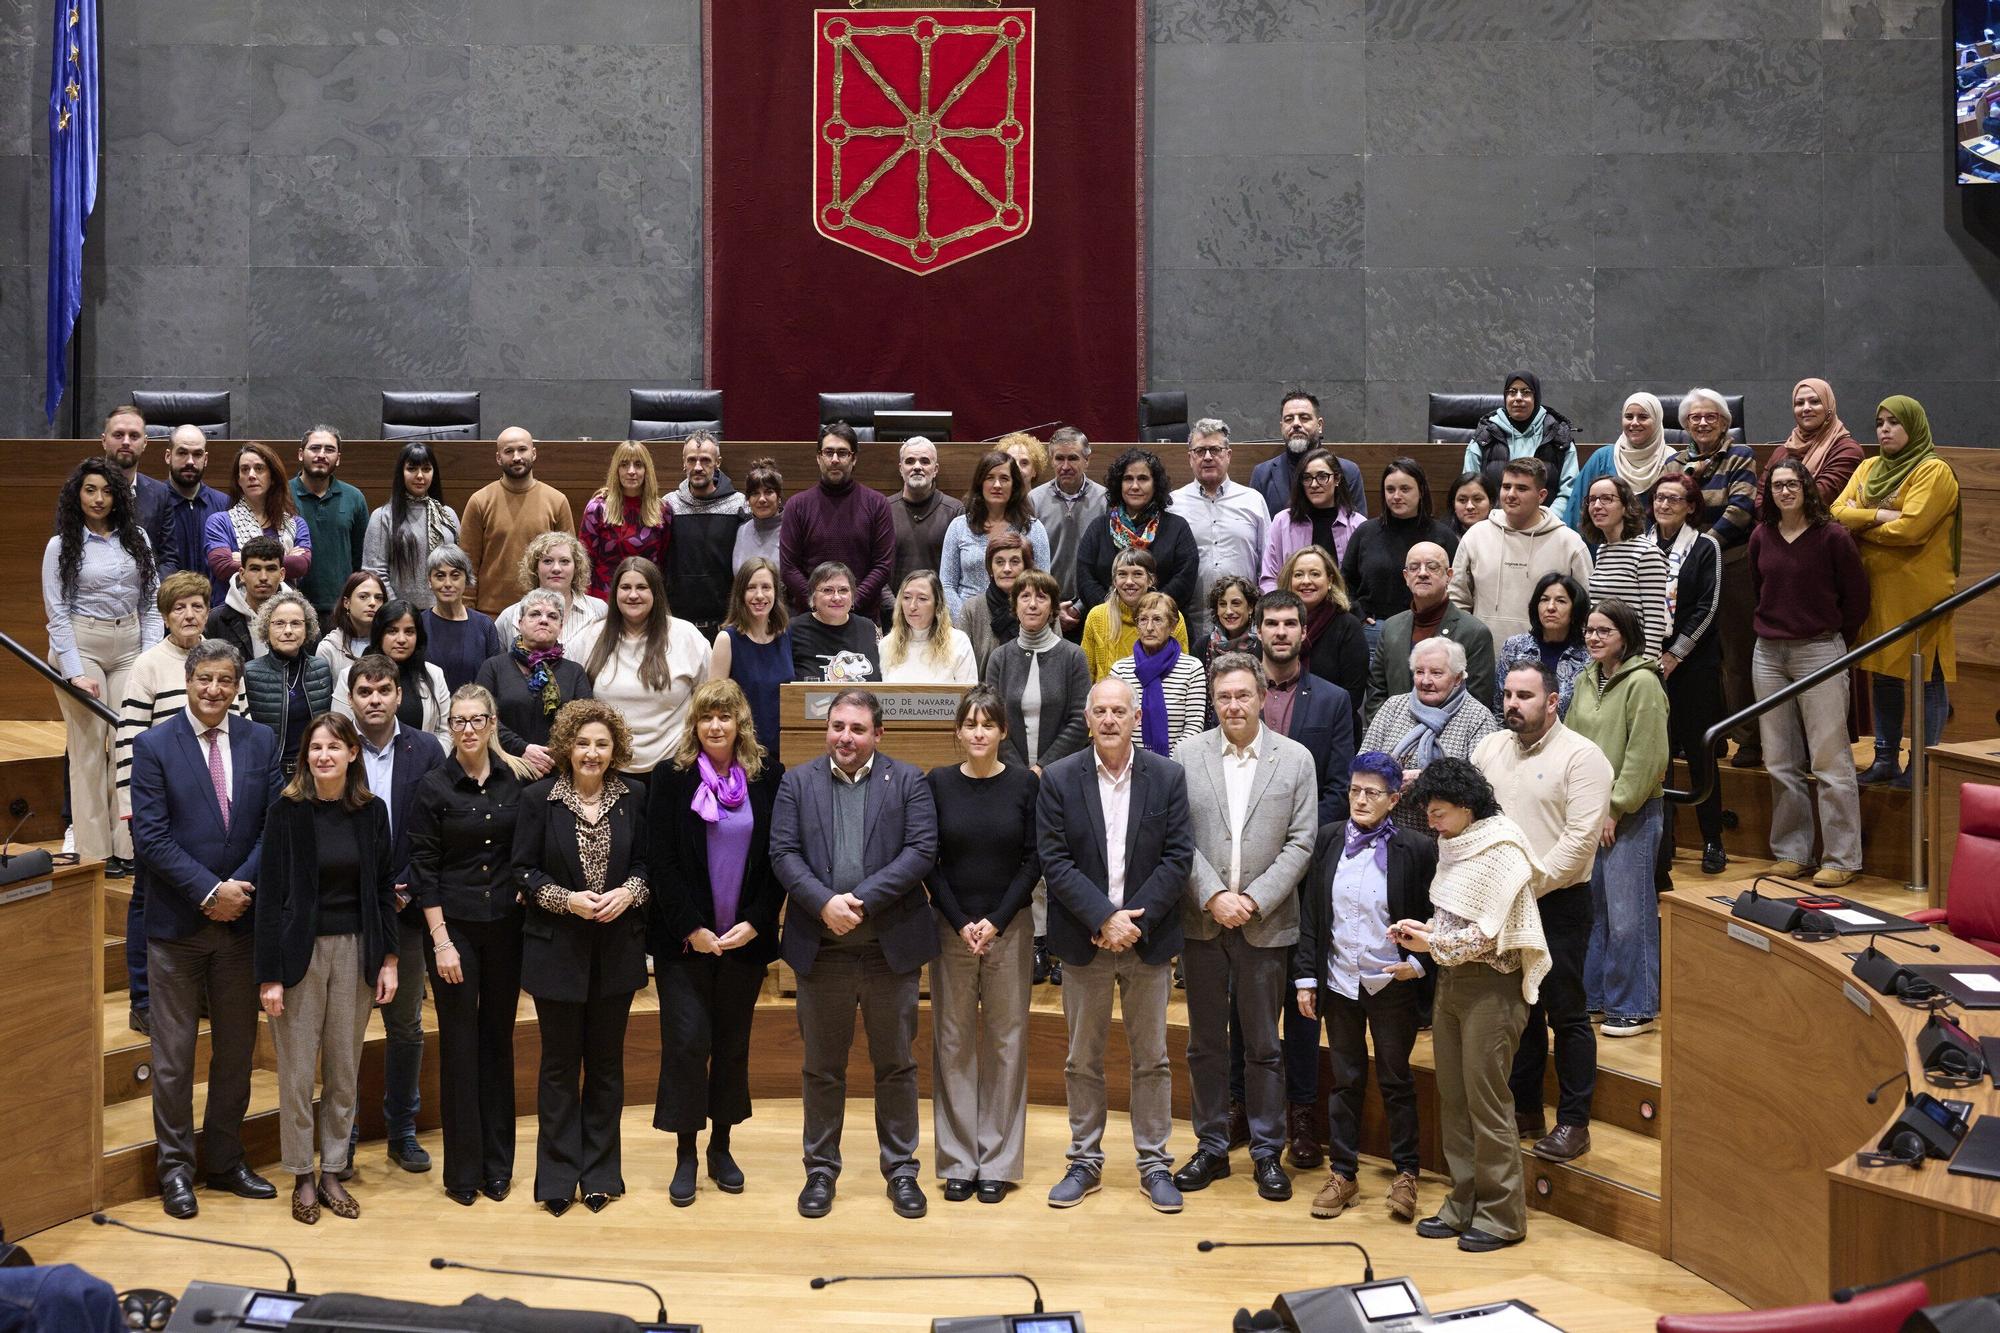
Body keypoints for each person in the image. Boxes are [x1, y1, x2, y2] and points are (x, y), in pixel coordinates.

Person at [772, 688, 940, 1220]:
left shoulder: (908, 780)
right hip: (823, 953)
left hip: (888, 952)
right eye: (838, 726)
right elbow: (782, 852)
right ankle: (820, 1171)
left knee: (896, 1066)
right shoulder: (797, 782)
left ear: (878, 734)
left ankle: (902, 1171)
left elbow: (921, 851)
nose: (846, 737)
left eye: (858, 728)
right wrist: (823, 902)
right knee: (822, 1068)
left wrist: (859, 902)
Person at [130, 640, 284, 1220]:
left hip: (242, 924)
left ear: (236, 685)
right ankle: (176, 1169)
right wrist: (207, 891)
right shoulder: (153, 746)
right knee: (172, 1058)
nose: (214, 690)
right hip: (176, 928)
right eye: (204, 680)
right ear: (188, 681)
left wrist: (237, 890)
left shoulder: (259, 741)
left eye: (225, 681)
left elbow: (275, 827)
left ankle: (222, 1158)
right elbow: (151, 838)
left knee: (236, 1053)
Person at [1039, 678, 1194, 1214]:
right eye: (1100, 711)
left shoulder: (1168, 776)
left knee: (1151, 1058)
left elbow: (1178, 858)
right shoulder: (1059, 778)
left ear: (1135, 718)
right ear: (1087, 718)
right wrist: (1104, 918)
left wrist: (1132, 924)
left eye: (1119, 711)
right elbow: (1053, 860)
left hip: (1146, 943)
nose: (1109, 719)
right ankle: (1084, 1161)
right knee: (1082, 1058)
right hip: (1085, 939)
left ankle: (1155, 1164)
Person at [1170, 655, 1317, 1205]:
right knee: (1205, 1045)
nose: (1233, 706)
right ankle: (1210, 1146)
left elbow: (1302, 843)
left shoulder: (1296, 759)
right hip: (1203, 922)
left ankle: (1265, 1151)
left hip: (1267, 922)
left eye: (1242, 696)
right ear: (1213, 701)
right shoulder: (1186, 755)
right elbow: (1176, 837)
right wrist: (1213, 895)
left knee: (1264, 1045)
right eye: (1224, 697)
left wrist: (1252, 899)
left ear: (1261, 698)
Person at [1395, 758, 1548, 1253]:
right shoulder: (1453, 845)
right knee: (1454, 1100)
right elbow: (1454, 922)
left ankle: (1503, 1216)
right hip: (1452, 984)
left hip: (1493, 989)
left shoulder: (1502, 848)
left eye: (1438, 814)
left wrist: (1429, 945)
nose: (1433, 824)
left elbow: (1488, 936)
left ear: (1465, 806)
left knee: (1487, 1103)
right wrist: (1426, 932)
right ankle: (1463, 1203)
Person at [255, 712, 399, 1223]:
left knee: (344, 1069)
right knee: (296, 1073)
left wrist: (389, 958)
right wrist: (269, 975)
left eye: (334, 747)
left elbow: (382, 888)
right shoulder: (286, 812)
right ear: (305, 757)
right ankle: (301, 1174)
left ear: (352, 754)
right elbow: (269, 896)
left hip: (356, 951)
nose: (324, 756)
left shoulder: (371, 812)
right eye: (315, 748)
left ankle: (334, 1169)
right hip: (299, 956)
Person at [646, 679, 784, 1207]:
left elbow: (778, 856)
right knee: (686, 1044)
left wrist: (756, 920)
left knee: (731, 1044)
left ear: (740, 722)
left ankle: (721, 1147)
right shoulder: (672, 777)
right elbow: (660, 862)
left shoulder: (766, 776)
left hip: (743, 941)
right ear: (695, 724)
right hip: (686, 943)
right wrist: (691, 929)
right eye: (707, 717)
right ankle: (685, 1152)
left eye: (725, 716)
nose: (716, 726)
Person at [513, 700, 650, 1215]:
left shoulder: (634, 796)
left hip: (615, 952)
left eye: (602, 743)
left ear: (615, 750)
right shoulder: (537, 799)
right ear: (567, 747)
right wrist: (562, 899)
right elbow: (521, 869)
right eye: (583, 743)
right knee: (558, 1068)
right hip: (557, 952)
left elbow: (646, 864)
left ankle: (600, 1174)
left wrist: (631, 891)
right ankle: (556, 1176)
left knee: (607, 1068)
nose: (591, 752)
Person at [1475, 662, 1611, 1165]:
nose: (1513, 703)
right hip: (1504, 901)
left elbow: (1578, 843)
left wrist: (1525, 886)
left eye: (1525, 695)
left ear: (1553, 701)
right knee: (1521, 1011)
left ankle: (1574, 1123)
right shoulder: (1489, 748)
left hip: (1559, 903)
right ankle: (1526, 1109)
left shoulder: (1583, 758)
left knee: (1567, 1013)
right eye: (1508, 693)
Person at [1293, 753, 1437, 1221]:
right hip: (1340, 982)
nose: (1360, 799)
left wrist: (1415, 965)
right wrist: (1307, 979)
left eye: (1372, 792)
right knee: (1346, 1080)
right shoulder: (1330, 839)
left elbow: (1433, 917)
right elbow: (1314, 912)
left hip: (1391, 982)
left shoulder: (1416, 848)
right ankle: (1344, 1174)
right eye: (1355, 790)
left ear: (1395, 799)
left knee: (1396, 1080)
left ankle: (1406, 1175)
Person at [408, 685, 536, 1206]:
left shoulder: (517, 781)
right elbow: (424, 870)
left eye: (476, 720)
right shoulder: (433, 786)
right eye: (458, 721)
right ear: (450, 725)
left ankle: (498, 1166)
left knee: (497, 1042)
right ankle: (463, 1173)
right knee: (460, 1047)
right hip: (453, 929)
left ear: (491, 723)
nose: (467, 729)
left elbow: (526, 853)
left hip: (506, 926)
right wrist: (440, 943)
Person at [926, 686, 1040, 1203]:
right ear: (958, 731)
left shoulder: (1023, 785)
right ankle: (957, 1159)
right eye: (969, 723)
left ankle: (996, 1159)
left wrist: (993, 921)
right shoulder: (939, 783)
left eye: (987, 724)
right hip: (950, 930)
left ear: (1002, 732)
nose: (977, 732)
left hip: (1008, 929)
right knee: (952, 1042)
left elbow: (1033, 861)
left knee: (1005, 1042)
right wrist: (960, 921)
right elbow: (928, 859)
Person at [116, 572, 243, 1030]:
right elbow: (129, 738)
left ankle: (204, 993)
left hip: (218, 808)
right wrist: (132, 809)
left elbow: (241, 731)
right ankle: (145, 998)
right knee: (147, 898)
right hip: (160, 806)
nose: (189, 615)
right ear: (166, 615)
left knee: (208, 889)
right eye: (178, 608)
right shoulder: (148, 665)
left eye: (196, 606)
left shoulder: (224, 657)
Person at [1835, 396, 1962, 790]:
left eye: (1894, 422)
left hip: (1921, 593)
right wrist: (1879, 515)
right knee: (1883, 676)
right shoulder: (1869, 467)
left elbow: (1910, 530)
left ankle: (1923, 762)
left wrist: (1863, 521)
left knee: (1926, 678)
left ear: (1915, 427)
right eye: (1880, 422)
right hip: (1876, 589)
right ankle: (1886, 757)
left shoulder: (1933, 471)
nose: (1885, 429)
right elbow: (1837, 513)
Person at [1754, 458, 1870, 885]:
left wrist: (1836, 640)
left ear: (1806, 488)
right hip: (1768, 653)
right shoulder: (1761, 536)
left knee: (1829, 758)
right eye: (1778, 485)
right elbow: (1758, 587)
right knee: (1780, 758)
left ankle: (1840, 858)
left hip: (1818, 650)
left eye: (1792, 484)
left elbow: (1856, 598)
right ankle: (1792, 852)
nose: (1785, 492)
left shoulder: (1832, 537)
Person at [45, 455, 161, 874]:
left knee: (128, 745)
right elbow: (57, 613)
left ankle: (127, 847)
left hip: (131, 645)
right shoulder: (61, 545)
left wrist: (150, 657)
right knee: (90, 749)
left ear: (119, 497)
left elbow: (150, 605)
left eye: (107, 491)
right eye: (90, 489)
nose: (98, 498)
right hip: (82, 643)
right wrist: (74, 670)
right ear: (77, 494)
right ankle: (95, 852)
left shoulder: (138, 539)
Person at [1565, 598, 1669, 1038]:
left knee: (1630, 914)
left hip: (1632, 812)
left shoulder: (1643, 683)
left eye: (1603, 631)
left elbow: (1647, 754)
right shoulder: (1586, 679)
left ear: (1624, 636)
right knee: (1595, 913)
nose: (1593, 638)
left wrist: (1615, 806)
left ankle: (1636, 1005)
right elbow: (1570, 739)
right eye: (1589, 630)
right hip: (1590, 813)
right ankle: (1598, 996)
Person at [1670, 389, 1761, 765]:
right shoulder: (1676, 461)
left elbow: (1740, 510)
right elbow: (1668, 504)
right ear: (1686, 424)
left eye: (1711, 417)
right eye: (1695, 417)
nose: (1703, 423)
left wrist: (1701, 546)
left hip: (1733, 564)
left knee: (1737, 656)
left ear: (1725, 422)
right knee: (1696, 657)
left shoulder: (1740, 456)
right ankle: (1710, 735)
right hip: (1687, 570)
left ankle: (1750, 740)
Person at [1649, 473, 1727, 878]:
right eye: (1659, 498)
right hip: (1647, 664)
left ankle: (1713, 839)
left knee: (1701, 756)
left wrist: (1676, 654)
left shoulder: (1705, 546)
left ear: (1691, 506)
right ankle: (1664, 842)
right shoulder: (1642, 545)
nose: (1664, 505)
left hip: (1693, 666)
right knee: (1657, 758)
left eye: (1674, 500)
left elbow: (1707, 607)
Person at [572, 557, 710, 774]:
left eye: (642, 587)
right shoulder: (590, 637)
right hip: (607, 769)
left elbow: (708, 699)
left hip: (673, 766)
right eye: (625, 587)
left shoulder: (687, 636)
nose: (633, 595)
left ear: (655, 592)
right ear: (615, 593)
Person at [1360, 638, 1500, 834]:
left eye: (1436, 673)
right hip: (1386, 834)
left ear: (1458, 678)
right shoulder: (1394, 706)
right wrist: (1385, 776)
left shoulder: (1478, 717)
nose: (1425, 681)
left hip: (1446, 842)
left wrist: (1425, 782)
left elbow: (1479, 787)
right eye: (1419, 672)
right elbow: (1362, 764)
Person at [1448, 457, 1591, 646]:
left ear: (1541, 496)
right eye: (1506, 487)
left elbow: (1586, 608)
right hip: (1483, 655)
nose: (1511, 495)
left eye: (1522, 488)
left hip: (1547, 661)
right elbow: (1457, 598)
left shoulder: (1570, 543)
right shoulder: (1476, 535)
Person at [1365, 540, 1495, 727]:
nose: (1423, 573)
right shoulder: (1391, 627)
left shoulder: (1474, 632)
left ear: (1449, 575)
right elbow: (1376, 690)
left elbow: (1477, 701)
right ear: (1406, 576)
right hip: (1393, 739)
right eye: (1414, 567)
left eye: (1432, 567)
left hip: (1449, 742)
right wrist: (1388, 731)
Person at [1342, 458, 1459, 652]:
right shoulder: (1365, 532)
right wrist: (1357, 612)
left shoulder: (1443, 536)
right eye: (1390, 490)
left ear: (1420, 491)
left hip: (1427, 629)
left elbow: (1456, 585)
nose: (1396, 496)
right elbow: (1344, 580)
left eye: (1405, 489)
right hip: (1374, 628)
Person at [458, 428, 575, 618]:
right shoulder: (479, 501)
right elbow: (467, 562)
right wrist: (468, 612)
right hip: (489, 614)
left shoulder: (557, 501)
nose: (516, 457)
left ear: (534, 453)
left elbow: (569, 562)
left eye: (522, 450)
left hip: (544, 613)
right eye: (508, 451)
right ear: (498, 458)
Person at [780, 422, 896, 614]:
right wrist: (818, 602)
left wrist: (849, 603)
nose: (834, 459)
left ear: (854, 459)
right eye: (828, 452)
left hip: (861, 617)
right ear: (818, 457)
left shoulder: (877, 504)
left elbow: (883, 566)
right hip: (811, 618)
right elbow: (789, 568)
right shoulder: (797, 506)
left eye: (842, 453)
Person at [477, 588, 594, 777]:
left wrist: (549, 755)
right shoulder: (494, 667)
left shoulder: (575, 672)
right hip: (503, 770)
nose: (544, 620)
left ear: (561, 626)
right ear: (520, 623)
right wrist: (522, 749)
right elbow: (480, 717)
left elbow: (586, 723)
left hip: (558, 772)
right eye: (535, 614)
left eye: (553, 616)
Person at [1170, 419, 1269, 640]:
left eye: (1215, 450)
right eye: (1200, 451)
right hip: (1189, 623)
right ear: (1190, 457)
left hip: (1246, 626)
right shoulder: (1173, 503)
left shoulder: (1253, 500)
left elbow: (1268, 565)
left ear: (1228, 455)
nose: (1207, 457)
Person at [983, 570, 1090, 774]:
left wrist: (1043, 768)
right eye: (1025, 596)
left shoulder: (1074, 657)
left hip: (1062, 775)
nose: (1032, 604)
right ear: (1015, 606)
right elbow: (992, 720)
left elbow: (1080, 721)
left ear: (1052, 608)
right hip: (1009, 775)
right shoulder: (999, 658)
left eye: (1041, 597)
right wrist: (1021, 774)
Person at [1075, 447, 1199, 616]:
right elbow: (1085, 578)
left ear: (1155, 484)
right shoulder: (1098, 527)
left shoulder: (1177, 527)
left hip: (1162, 624)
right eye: (1128, 479)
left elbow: (1185, 579)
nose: (1134, 486)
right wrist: (1116, 611)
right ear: (1119, 484)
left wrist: (1149, 611)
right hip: (1108, 623)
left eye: (1143, 479)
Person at [940, 452, 1052, 615]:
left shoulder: (1033, 528)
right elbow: (947, 585)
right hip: (967, 621)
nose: (997, 485)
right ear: (980, 483)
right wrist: (966, 621)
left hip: (1018, 622)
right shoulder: (959, 526)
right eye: (990, 477)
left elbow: (1043, 583)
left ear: (1014, 485)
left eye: (1004, 479)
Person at [666, 431, 750, 638]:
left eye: (705, 460)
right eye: (691, 460)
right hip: (677, 625)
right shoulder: (668, 505)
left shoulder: (739, 504)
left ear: (718, 463)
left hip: (726, 625)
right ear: (683, 463)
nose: (697, 467)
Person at [1275, 544, 1368, 727]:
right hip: (1281, 725)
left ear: (1330, 580)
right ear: (1289, 581)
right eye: (1298, 574)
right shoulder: (1277, 625)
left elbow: (1353, 695)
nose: (1306, 581)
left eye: (1315, 574)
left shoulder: (1348, 625)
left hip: (1333, 727)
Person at [244, 592, 335, 779]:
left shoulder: (320, 669)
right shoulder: (250, 673)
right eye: (279, 623)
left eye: (296, 623)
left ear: (307, 628)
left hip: (314, 770)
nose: (288, 630)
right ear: (266, 629)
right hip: (269, 773)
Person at [1461, 372, 1579, 514]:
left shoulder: (1558, 437)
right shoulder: (1485, 436)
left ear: (1536, 397)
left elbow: (1569, 491)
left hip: (1546, 528)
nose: (1518, 398)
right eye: (1512, 392)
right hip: (1494, 526)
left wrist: (1544, 521)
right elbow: (1471, 488)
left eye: (1526, 392)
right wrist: (1496, 522)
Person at [362, 440, 459, 613]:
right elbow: (375, 573)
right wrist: (400, 612)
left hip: (445, 612)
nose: (420, 475)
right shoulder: (383, 516)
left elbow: (459, 566)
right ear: (401, 473)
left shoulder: (447, 515)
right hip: (401, 616)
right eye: (412, 469)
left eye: (426, 469)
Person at [710, 557, 793, 757]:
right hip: (743, 752)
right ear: (740, 593)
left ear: (776, 592)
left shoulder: (785, 634)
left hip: (784, 749)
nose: (759, 595)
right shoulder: (726, 640)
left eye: (766, 587)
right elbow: (714, 705)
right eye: (751, 588)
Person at [1580, 475, 1670, 654]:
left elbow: (1654, 622)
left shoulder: (1646, 553)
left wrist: (1645, 666)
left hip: (1635, 662)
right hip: (1606, 658)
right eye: (1592, 499)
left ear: (1625, 507)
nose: (1597, 506)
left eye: (1606, 498)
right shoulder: (1603, 550)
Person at [204, 441, 312, 590]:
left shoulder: (295, 523)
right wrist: (285, 558)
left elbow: (301, 565)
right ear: (238, 479)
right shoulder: (219, 522)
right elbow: (222, 567)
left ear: (272, 477)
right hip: (235, 609)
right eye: (245, 470)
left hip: (283, 609)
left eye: (259, 468)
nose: (252, 475)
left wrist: (243, 559)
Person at [338, 600, 451, 742]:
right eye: (392, 631)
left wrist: (429, 760)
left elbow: (445, 731)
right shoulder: (348, 675)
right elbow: (340, 732)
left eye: (409, 632)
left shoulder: (434, 675)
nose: (401, 639)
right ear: (379, 634)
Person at [1109, 592, 1206, 757]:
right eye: (1143, 619)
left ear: (1173, 626)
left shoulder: (1192, 668)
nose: (1149, 627)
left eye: (1157, 620)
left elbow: (1194, 726)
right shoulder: (1120, 670)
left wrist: (1166, 767)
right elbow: (1116, 723)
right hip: (1129, 764)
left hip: (1176, 765)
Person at [1031, 427, 1106, 637]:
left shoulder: (1105, 501)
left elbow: (1108, 561)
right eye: (1059, 458)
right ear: (1051, 460)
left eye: (1073, 458)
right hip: (1045, 607)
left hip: (1094, 606)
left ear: (1087, 460)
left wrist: (1079, 607)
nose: (1065, 466)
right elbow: (1030, 561)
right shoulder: (1034, 500)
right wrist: (1052, 606)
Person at [289, 427, 370, 622]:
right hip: (292, 606)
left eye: (329, 450)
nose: (321, 455)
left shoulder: (354, 497)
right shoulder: (281, 494)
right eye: (315, 448)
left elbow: (361, 557)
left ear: (338, 458)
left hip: (340, 608)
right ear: (301, 454)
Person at [1251, 390, 1366, 520]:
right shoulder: (1262, 474)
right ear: (1281, 427)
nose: (1296, 424)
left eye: (1304, 418)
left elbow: (1359, 531)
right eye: (1289, 419)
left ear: (1319, 425)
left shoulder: (1347, 471)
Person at [579, 441, 671, 600]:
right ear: (616, 470)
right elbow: (584, 563)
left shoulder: (662, 510)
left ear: (647, 470)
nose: (631, 471)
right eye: (624, 464)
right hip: (604, 599)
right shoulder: (598, 508)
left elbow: (663, 562)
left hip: (646, 598)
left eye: (638, 465)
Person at [1565, 393, 1671, 531]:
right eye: (1628, 417)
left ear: (1657, 421)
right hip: (1603, 546)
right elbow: (1576, 511)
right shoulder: (1602, 458)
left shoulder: (1671, 461)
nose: (1634, 423)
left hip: (1655, 548)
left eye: (1643, 417)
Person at [1493, 571, 1591, 718]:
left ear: (1575, 609)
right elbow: (1499, 708)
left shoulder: (1588, 655)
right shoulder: (1514, 647)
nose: (1550, 607)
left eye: (1561, 601)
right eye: (1544, 600)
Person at [1261, 447, 1365, 586]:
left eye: (1322, 477)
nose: (1314, 484)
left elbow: (1364, 582)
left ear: (1337, 479)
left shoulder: (1358, 525)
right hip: (1291, 605)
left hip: (1344, 606)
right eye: (1307, 478)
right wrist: (1284, 606)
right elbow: (1269, 579)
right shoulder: (1282, 522)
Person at [1762, 378, 1864, 510]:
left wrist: (1776, 517)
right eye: (1799, 403)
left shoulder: (1848, 450)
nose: (1806, 408)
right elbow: (1761, 497)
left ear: (1829, 407)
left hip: (1822, 527)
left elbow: (1820, 497)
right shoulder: (1782, 451)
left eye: (1815, 401)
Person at [886, 437, 964, 610]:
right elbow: (876, 568)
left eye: (925, 461)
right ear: (901, 469)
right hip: (893, 615)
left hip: (940, 614)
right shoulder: (883, 510)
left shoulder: (955, 511)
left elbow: (960, 573)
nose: (917, 467)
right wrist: (898, 609)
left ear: (935, 469)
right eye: (910, 461)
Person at [493, 531, 607, 646]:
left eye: (564, 561)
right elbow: (497, 663)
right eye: (547, 561)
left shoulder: (599, 610)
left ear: (576, 568)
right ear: (535, 568)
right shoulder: (509, 617)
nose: (556, 568)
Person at [420, 546, 505, 693]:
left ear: (466, 579)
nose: (447, 583)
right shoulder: (419, 624)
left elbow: (496, 679)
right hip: (431, 712)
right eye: (440, 576)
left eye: (455, 575)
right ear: (429, 581)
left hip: (474, 713)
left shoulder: (484, 625)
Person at [154, 425, 229, 585]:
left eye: (197, 454)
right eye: (182, 453)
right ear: (168, 456)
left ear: (206, 459)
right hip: (166, 604)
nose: (190, 461)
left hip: (215, 604)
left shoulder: (225, 505)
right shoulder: (152, 503)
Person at [101, 405, 173, 565]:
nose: (126, 442)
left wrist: (153, 589)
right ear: (104, 440)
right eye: (118, 435)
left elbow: (169, 559)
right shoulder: (81, 489)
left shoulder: (161, 494)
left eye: (134, 436)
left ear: (145, 443)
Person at [790, 561, 882, 683]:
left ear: (852, 595)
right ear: (813, 596)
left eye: (843, 590)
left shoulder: (869, 628)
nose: (837, 598)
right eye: (828, 590)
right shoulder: (792, 629)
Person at [956, 532, 1033, 676]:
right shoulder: (972, 609)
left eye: (1015, 561)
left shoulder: (1042, 608)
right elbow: (961, 670)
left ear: (1026, 567)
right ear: (990, 569)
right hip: (981, 696)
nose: (1007, 569)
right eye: (999, 562)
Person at [880, 570, 978, 683]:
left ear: (937, 604)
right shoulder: (886, 645)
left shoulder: (959, 642)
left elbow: (970, 695)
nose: (912, 606)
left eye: (922, 599)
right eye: (906, 597)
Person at [204, 535, 286, 663]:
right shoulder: (216, 620)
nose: (263, 577)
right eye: (255, 569)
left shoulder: (300, 620)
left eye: (270, 569)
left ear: (282, 575)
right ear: (242, 574)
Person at [315, 571, 386, 683]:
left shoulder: (391, 643)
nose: (373, 603)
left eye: (379, 598)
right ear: (347, 603)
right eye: (363, 596)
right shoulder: (328, 648)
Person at [731, 457, 785, 574]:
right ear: (748, 500)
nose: (761, 499)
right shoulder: (742, 531)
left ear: (779, 497)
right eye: (755, 493)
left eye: (768, 492)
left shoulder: (792, 530)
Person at [1197, 574, 1262, 670]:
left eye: (1236, 603)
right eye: (1222, 604)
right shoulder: (1202, 646)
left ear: (1250, 607)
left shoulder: (1263, 644)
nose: (1229, 611)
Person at [1449, 470, 1496, 537]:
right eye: (1462, 500)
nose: (1469, 506)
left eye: (1477, 499)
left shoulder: (1502, 533)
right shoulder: (1444, 536)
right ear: (1453, 505)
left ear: (1491, 503)